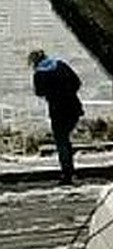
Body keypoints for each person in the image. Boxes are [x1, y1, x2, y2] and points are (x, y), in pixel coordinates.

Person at [28, 48, 84, 185]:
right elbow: (77, 82)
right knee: (66, 139)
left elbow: (39, 92)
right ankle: (70, 169)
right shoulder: (61, 65)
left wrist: (52, 93)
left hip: (57, 110)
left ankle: (67, 173)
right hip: (73, 107)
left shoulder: (39, 74)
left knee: (61, 141)